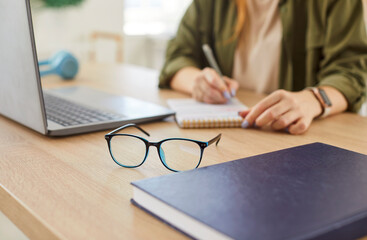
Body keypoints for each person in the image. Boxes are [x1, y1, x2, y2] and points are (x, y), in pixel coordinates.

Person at [158, 0, 367, 134]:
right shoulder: (211, 4)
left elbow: (351, 72)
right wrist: (198, 82)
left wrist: (313, 100)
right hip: (232, 138)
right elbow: (176, 59)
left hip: (298, 141)